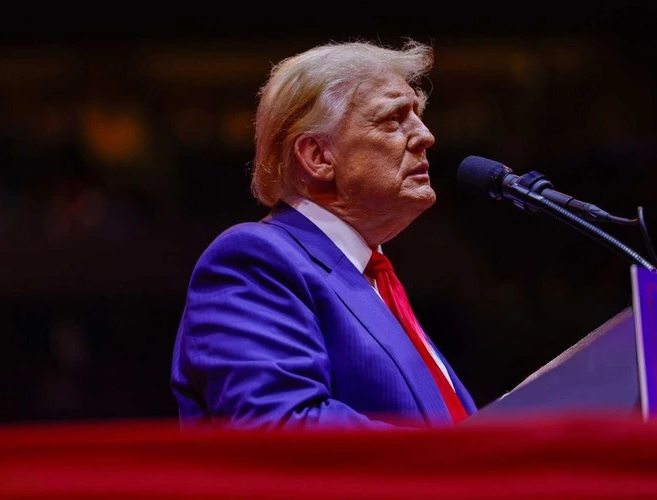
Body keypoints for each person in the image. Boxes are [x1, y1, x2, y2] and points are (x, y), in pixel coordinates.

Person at [171, 38, 477, 431]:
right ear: (318, 157)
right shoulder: (254, 260)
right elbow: (283, 426)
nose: (425, 136)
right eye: (393, 119)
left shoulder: (373, 277)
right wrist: (445, 468)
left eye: (417, 115)